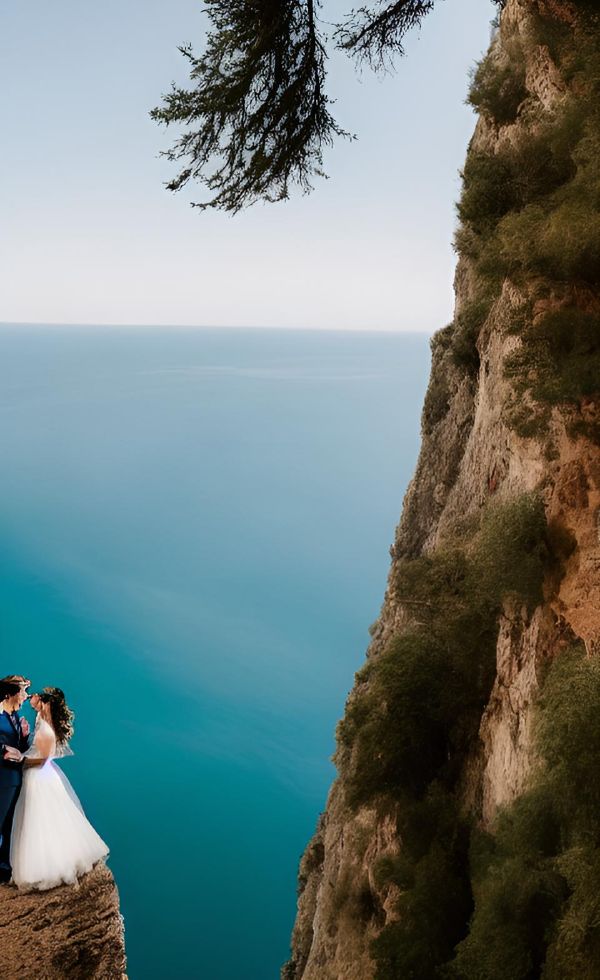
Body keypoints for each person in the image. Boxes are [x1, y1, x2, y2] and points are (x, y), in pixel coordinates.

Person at [4, 686, 109, 891]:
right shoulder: (40, 722)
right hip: (37, 776)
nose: (30, 697)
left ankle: (44, 867)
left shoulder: (45, 727)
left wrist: (21, 760)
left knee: (39, 819)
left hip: (38, 777)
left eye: (33, 695)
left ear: (43, 702)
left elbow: (43, 759)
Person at [0, 676, 31, 884]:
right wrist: (2, 750)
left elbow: (19, 749)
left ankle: (3, 869)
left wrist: (24, 737)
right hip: (2, 777)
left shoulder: (17, 717)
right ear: (10, 693)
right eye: (23, 692)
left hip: (14, 779)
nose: (26, 697)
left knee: (8, 826)